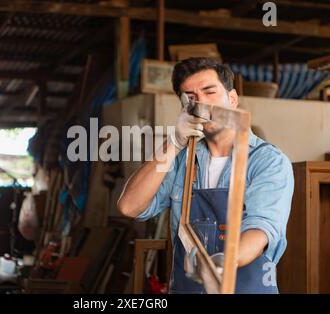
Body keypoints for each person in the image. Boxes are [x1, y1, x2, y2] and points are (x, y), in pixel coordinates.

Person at [117, 57, 294, 293]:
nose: (200, 103)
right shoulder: (179, 160)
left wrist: (221, 264)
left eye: (209, 92)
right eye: (190, 97)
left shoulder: (267, 161)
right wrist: (172, 144)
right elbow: (130, 207)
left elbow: (261, 230)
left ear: (232, 99)